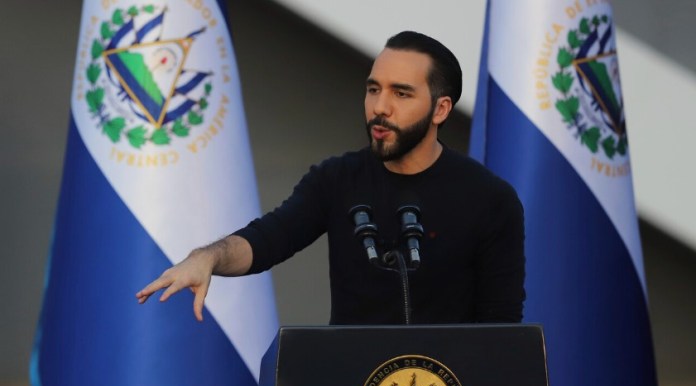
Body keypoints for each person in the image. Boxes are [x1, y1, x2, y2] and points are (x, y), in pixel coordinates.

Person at [137, 31, 525, 324]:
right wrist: (207, 257)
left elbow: (502, 329)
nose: (380, 107)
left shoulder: (489, 199)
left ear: (440, 109)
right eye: (373, 89)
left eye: (401, 94)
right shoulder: (337, 179)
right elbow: (267, 240)